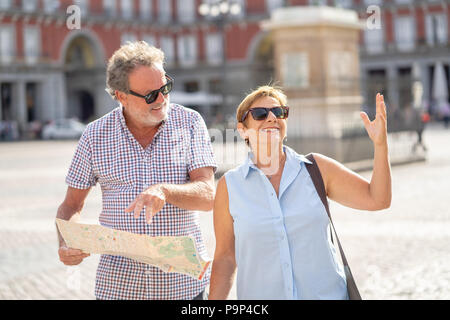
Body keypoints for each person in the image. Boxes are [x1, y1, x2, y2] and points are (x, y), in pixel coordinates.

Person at [56, 41, 217, 300]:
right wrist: (66, 242)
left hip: (183, 289)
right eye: (151, 95)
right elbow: (70, 206)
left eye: (165, 88)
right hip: (119, 289)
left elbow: (209, 195)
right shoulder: (94, 135)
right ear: (121, 96)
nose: (162, 100)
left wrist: (165, 191)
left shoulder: (190, 123)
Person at [209, 86, 391, 300]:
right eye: (260, 114)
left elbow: (378, 198)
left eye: (278, 112)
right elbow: (225, 258)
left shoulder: (317, 169)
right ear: (242, 130)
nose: (271, 118)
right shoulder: (230, 186)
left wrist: (380, 145)